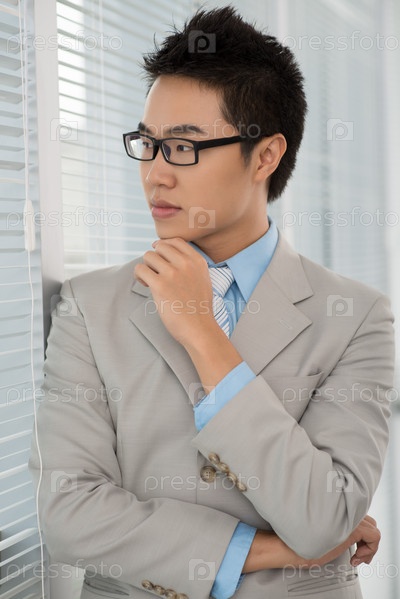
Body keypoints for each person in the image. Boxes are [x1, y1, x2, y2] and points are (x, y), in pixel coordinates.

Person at [29, 6, 395, 599]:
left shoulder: (357, 316)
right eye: (147, 144)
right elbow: (69, 515)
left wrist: (203, 334)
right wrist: (270, 550)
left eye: (183, 147)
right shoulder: (88, 307)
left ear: (266, 156)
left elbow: (324, 517)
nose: (155, 174)